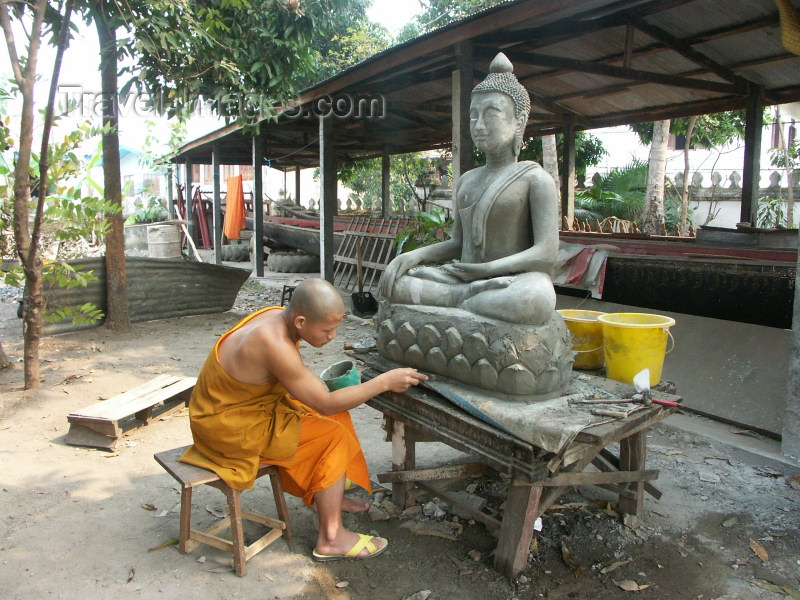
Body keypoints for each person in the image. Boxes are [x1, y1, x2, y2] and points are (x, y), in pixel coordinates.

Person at [180, 278, 427, 561]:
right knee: (331, 434)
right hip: (226, 426)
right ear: (300, 321)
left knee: (334, 417)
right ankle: (331, 538)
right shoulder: (274, 343)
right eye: (327, 329)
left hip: (244, 407)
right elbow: (324, 402)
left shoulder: (276, 315)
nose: (333, 336)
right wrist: (384, 382)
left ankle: (327, 496)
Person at [378, 52, 559, 326]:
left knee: (535, 298)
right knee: (397, 282)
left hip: (507, 282)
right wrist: (413, 255)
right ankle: (464, 298)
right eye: (473, 116)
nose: (479, 125)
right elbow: (458, 243)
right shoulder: (467, 180)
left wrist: (487, 270)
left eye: (491, 115)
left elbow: (546, 253)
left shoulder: (535, 179)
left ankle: (459, 300)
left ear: (519, 122)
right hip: (462, 279)